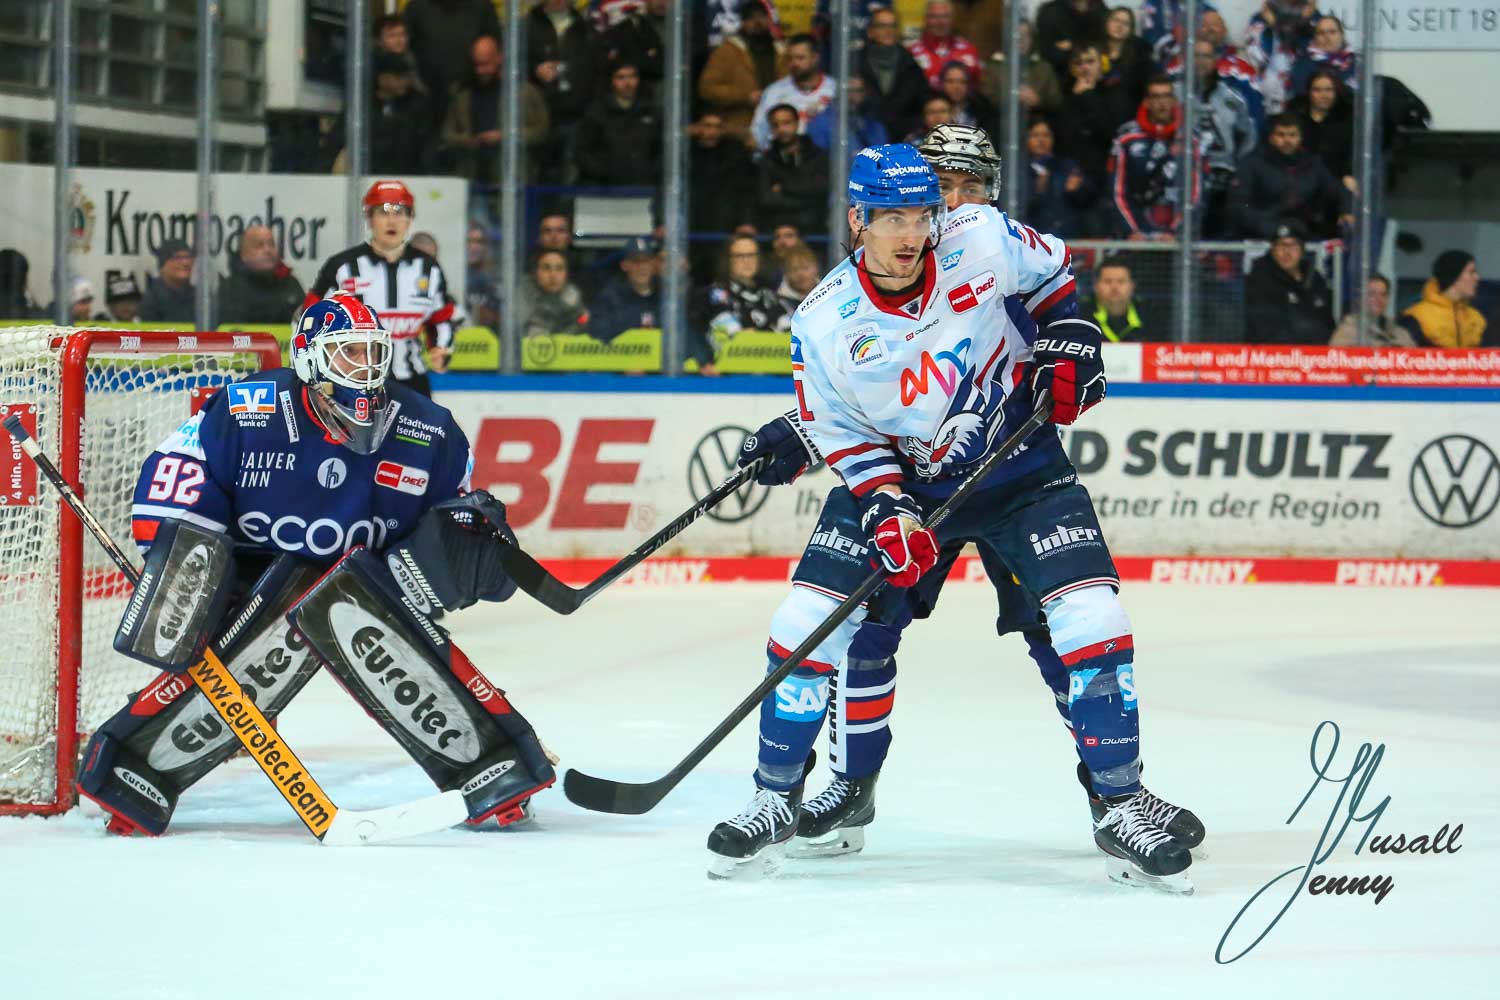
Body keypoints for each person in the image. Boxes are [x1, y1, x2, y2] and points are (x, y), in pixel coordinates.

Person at [708, 137, 1200, 891]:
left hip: (1020, 470)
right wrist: (885, 508)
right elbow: (845, 431)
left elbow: (1053, 278)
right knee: (809, 622)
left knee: (1089, 622)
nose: (911, 235)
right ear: (857, 221)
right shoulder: (823, 321)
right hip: (907, 481)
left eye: (923, 214)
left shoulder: (980, 236)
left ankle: (1120, 801)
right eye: (892, 218)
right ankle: (780, 797)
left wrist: (1073, 338)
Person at [77, 293, 554, 838]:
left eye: (374, 354)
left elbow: (457, 528)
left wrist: (468, 548)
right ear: (308, 359)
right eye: (349, 354)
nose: (367, 369)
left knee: (348, 601)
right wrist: (186, 573)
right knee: (267, 622)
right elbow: (171, 485)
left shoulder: (430, 431)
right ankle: (131, 770)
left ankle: (494, 769)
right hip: (250, 580)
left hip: (371, 582)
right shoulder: (244, 409)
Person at [305, 180, 459, 397]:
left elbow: (442, 318)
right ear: (369, 218)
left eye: (400, 212)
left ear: (410, 219)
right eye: (383, 211)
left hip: (413, 381)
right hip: (353, 379)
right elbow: (310, 319)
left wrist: (442, 348)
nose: (392, 220)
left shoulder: (429, 268)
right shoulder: (342, 267)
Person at [444, 35, 549, 183]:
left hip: (510, 179)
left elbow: (541, 131)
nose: (480, 71)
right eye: (476, 65)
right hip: (471, 175)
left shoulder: (524, 93)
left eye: (485, 64)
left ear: (499, 58)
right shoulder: (462, 94)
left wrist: (504, 137)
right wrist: (467, 141)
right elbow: (447, 134)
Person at [1228, 112, 1349, 240]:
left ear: (1300, 138)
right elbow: (1239, 206)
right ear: (1271, 138)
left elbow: (1338, 191)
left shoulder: (1312, 164)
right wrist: (1268, 228)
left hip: (1304, 233)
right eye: (1281, 135)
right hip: (1261, 234)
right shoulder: (1252, 164)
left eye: (1292, 135)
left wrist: (1347, 211)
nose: (1287, 140)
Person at [1108, 76, 1200, 240]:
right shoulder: (1126, 139)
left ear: (1174, 101)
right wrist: (1131, 230)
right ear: (1147, 102)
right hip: (1136, 233)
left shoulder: (1190, 139)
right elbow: (1117, 190)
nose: (1162, 103)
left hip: (1176, 236)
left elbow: (1195, 192)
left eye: (1166, 96)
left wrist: (1174, 231)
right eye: (1156, 97)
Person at [1186, 39, 1258, 238]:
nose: (1201, 61)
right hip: (1183, 182)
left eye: (1206, 56)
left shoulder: (1233, 99)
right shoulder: (1174, 94)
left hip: (1222, 184)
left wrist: (1238, 172)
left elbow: (1248, 141)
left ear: (1216, 60)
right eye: (1196, 55)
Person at [691, 234, 789, 373]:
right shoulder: (713, 295)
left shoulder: (770, 296)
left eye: (751, 255)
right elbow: (735, 337)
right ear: (728, 260)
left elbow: (788, 334)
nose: (746, 261)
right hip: (726, 379)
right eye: (739, 256)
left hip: (772, 377)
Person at [526, 0, 600, 181]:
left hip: (575, 116)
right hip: (536, 117)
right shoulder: (526, 27)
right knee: (534, 177)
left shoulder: (586, 28)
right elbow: (510, 64)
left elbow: (596, 71)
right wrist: (534, 70)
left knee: (569, 179)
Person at [698, 1, 785, 148]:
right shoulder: (727, 51)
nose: (757, 22)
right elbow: (707, 88)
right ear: (743, 23)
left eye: (762, 17)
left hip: (776, 127)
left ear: (769, 20)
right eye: (751, 18)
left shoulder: (782, 52)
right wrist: (745, 96)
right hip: (738, 129)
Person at [401, 0, 500, 121]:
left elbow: (494, 47)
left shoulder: (482, 6)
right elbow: (404, 50)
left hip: (472, 95)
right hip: (427, 95)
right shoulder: (416, 7)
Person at [1057, 44, 1134, 195]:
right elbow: (1064, 139)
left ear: (1101, 64)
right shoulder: (1066, 98)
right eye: (1079, 63)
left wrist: (1087, 96)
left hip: (1108, 171)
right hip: (1075, 172)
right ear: (1072, 69)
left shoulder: (1116, 92)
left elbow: (1109, 132)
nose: (1085, 67)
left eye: (1090, 61)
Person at [1244, 219, 1334, 344]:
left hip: (1316, 356)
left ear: (1302, 250)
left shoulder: (1314, 277)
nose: (1286, 252)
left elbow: (1327, 321)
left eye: (1293, 245)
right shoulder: (1260, 278)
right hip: (1274, 357)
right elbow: (1265, 328)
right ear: (1273, 249)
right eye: (1281, 245)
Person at [575, 61, 661, 186]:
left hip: (643, 187)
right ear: (612, 81)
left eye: (632, 76)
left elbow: (661, 150)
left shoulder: (652, 112)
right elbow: (581, 150)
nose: (628, 83)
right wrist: (602, 172)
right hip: (605, 188)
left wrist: (650, 171)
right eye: (621, 77)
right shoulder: (597, 112)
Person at [856, 7, 931, 144]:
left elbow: (922, 103)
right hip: (864, 136)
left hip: (903, 139)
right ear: (870, 31)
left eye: (892, 26)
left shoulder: (911, 65)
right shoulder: (855, 63)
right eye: (882, 26)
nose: (888, 31)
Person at [750, 34, 836, 151]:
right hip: (782, 161)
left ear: (815, 58)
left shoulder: (834, 90)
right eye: (790, 59)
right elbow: (758, 134)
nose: (794, 63)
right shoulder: (773, 92)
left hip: (824, 161)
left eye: (800, 58)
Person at [756, 103, 831, 236]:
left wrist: (783, 188)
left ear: (797, 123)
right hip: (777, 232)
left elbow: (820, 190)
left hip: (814, 231)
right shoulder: (766, 160)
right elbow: (766, 199)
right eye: (775, 125)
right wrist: (804, 191)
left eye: (786, 123)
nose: (781, 129)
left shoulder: (818, 156)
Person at [217, 224, 306, 326]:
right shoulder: (229, 290)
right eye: (259, 245)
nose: (267, 250)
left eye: (271, 244)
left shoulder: (291, 285)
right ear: (244, 254)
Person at [1398, 251, 1487, 349]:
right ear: (1454, 276)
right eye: (1471, 272)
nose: (1477, 277)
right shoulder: (1417, 317)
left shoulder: (1477, 319)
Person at [1024, 118, 1093, 237]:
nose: (1041, 140)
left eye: (1046, 135)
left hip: (1065, 237)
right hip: (1032, 240)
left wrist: (1075, 190)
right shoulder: (1016, 168)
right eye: (1035, 135)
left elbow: (1088, 199)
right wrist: (1037, 190)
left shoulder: (1067, 166)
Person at [1287, 69, 1353, 187]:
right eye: (1317, 90)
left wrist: (1347, 175)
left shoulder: (1346, 121)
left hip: (1335, 182)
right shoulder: (1295, 119)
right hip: (1298, 182)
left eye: (1329, 90)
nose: (1324, 95)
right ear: (1309, 92)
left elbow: (1350, 155)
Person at [589, 237, 660, 341]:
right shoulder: (609, 299)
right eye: (636, 261)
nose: (642, 267)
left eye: (646, 261)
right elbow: (600, 338)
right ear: (624, 265)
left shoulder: (666, 296)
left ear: (653, 264)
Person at [907, 0, 984, 90]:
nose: (940, 22)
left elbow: (977, 89)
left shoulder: (969, 50)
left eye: (945, 16)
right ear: (925, 20)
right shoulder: (911, 53)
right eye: (934, 17)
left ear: (953, 19)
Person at [521, 248, 591, 340]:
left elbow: (583, 319)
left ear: (567, 273)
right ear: (535, 272)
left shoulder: (573, 297)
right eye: (546, 268)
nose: (553, 275)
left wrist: (583, 320)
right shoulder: (521, 297)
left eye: (559, 268)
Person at [807, 75, 888, 152]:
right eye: (847, 91)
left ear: (865, 93)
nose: (851, 96)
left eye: (858, 91)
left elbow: (881, 155)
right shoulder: (821, 123)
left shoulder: (874, 125)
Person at [1329, 273, 1414, 346]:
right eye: (1371, 294)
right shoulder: (1347, 333)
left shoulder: (1401, 334)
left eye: (1383, 294)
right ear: (1360, 299)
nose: (1378, 299)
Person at [1087, 257, 1157, 341]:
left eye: (1121, 281)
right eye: (1107, 281)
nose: (1114, 287)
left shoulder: (1150, 316)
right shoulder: (1080, 317)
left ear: (1132, 285)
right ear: (1096, 286)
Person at [1035, 0, 1109, 77]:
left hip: (1098, 74)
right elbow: (1046, 52)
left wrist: (1073, 47)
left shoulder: (1101, 11)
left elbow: (1107, 49)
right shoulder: (1050, 12)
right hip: (1061, 74)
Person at [1290, 15, 1357, 98]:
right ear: (1315, 38)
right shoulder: (1303, 65)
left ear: (1342, 35)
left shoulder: (1356, 63)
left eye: (1332, 32)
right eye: (1321, 33)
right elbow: (1301, 98)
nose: (1327, 37)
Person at [1099, 6, 1152, 109]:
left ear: (1130, 30)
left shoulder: (1139, 59)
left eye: (1126, 23)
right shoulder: (1094, 52)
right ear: (1107, 22)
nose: (1119, 26)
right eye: (1116, 20)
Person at [138, 239, 197, 323]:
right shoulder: (152, 300)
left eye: (188, 257)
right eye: (177, 258)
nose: (185, 263)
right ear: (162, 266)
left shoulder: (199, 297)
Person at [937, 61, 997, 130]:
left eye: (962, 82)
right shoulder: (932, 108)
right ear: (941, 84)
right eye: (950, 81)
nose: (956, 87)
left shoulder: (982, 110)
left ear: (969, 85)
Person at [465, 222, 502, 331]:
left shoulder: (497, 279)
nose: (473, 247)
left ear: (487, 246)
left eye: (479, 242)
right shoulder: (456, 276)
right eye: (468, 241)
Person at [774, 242, 822, 313]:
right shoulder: (777, 304)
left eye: (805, 267)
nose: (800, 274)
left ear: (816, 268)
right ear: (786, 273)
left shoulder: (831, 294)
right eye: (794, 269)